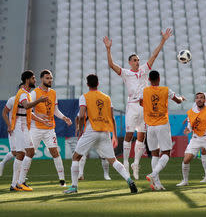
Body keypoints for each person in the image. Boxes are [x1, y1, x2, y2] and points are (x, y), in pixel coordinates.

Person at [103, 28, 172, 179]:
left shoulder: (144, 70)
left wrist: (163, 40)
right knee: (129, 134)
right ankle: (126, 163)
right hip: (133, 106)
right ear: (129, 62)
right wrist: (108, 49)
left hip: (144, 107)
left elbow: (154, 55)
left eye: (138, 60)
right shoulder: (125, 73)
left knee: (142, 136)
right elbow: (111, 64)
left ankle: (136, 163)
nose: (137, 61)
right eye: (134, 60)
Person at [64, 74, 137, 194]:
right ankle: (129, 180)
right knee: (113, 160)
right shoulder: (107, 98)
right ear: (98, 83)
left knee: (76, 157)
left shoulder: (85, 97)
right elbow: (112, 118)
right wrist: (114, 135)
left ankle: (74, 187)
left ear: (87, 85)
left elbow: (81, 115)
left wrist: (80, 129)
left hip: (91, 131)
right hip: (105, 132)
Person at [140, 70, 185, 190]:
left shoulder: (144, 91)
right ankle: (153, 174)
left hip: (150, 126)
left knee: (155, 154)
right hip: (162, 124)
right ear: (159, 79)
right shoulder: (166, 90)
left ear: (149, 80)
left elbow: (140, 102)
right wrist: (182, 98)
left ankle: (158, 184)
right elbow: (177, 100)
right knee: (166, 153)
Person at [29, 70, 72, 187]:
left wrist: (64, 118)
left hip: (49, 128)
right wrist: (38, 115)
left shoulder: (53, 93)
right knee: (30, 153)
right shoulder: (34, 93)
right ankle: (21, 180)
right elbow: (28, 110)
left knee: (55, 152)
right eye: (47, 78)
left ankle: (62, 181)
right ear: (42, 79)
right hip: (36, 128)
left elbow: (55, 110)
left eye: (51, 78)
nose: (50, 80)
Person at [9, 71, 49, 191]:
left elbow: (28, 113)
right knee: (29, 152)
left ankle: (14, 184)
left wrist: (41, 120)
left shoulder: (26, 94)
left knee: (22, 154)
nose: (35, 80)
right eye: (33, 78)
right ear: (27, 80)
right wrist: (39, 101)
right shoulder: (23, 94)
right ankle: (20, 182)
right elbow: (27, 106)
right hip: (20, 127)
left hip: (23, 126)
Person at [74, 113, 111, 181]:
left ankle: (106, 174)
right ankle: (80, 174)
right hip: (88, 134)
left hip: (100, 133)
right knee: (82, 154)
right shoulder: (87, 107)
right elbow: (78, 117)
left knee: (104, 156)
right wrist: (78, 128)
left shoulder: (102, 108)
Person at [0, 84, 24, 178]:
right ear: (19, 90)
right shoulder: (12, 99)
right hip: (13, 129)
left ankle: (19, 176)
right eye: (22, 88)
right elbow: (4, 113)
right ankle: (2, 163)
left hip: (24, 129)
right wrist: (9, 126)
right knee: (15, 152)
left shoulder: (28, 100)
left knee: (23, 152)